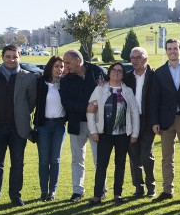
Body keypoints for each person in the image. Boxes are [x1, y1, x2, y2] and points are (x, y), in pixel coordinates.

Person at [0, 45, 37, 210]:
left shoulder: (29, 77)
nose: (11, 60)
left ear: (20, 57)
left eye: (15, 56)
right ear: (2, 57)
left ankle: (15, 195)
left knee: (17, 164)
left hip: (18, 129)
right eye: (8, 56)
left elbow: (31, 102)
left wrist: (22, 116)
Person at [150, 39, 180, 203]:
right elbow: (154, 99)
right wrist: (155, 121)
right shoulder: (160, 73)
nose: (172, 51)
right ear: (166, 50)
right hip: (165, 120)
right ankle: (167, 190)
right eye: (169, 49)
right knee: (166, 157)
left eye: (175, 48)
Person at [86, 62, 140, 205]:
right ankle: (97, 196)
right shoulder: (100, 89)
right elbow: (90, 111)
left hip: (123, 134)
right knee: (101, 164)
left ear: (123, 75)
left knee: (120, 164)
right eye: (114, 70)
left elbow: (134, 113)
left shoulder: (127, 91)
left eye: (120, 71)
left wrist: (134, 133)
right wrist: (93, 131)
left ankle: (118, 195)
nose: (116, 73)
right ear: (109, 73)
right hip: (104, 134)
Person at [60, 49, 105, 202]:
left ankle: (101, 190)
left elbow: (107, 91)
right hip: (76, 124)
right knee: (77, 159)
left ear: (78, 60)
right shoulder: (65, 80)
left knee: (99, 159)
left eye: (67, 63)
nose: (65, 67)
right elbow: (66, 103)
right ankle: (77, 191)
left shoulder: (97, 71)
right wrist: (86, 108)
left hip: (97, 124)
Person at [123, 47, 156, 198]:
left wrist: (156, 121)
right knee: (134, 156)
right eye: (132, 58)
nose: (135, 60)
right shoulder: (127, 77)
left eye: (138, 57)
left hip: (148, 121)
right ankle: (139, 188)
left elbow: (159, 100)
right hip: (130, 122)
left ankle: (151, 186)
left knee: (146, 156)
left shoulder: (154, 76)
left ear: (145, 59)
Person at [32, 56, 66, 202]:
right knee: (44, 160)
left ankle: (52, 191)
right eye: (57, 66)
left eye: (62, 66)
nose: (59, 69)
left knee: (55, 160)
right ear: (50, 67)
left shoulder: (65, 84)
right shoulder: (40, 82)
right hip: (43, 126)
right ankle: (43, 192)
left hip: (59, 126)